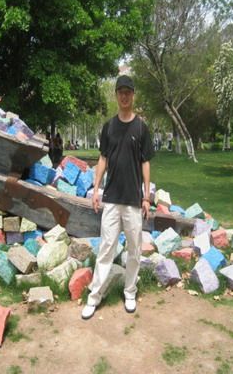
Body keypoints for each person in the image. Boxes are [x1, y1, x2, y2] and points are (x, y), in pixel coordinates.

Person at [81, 75, 154, 320]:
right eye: (120, 92)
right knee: (106, 249)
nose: (124, 96)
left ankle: (130, 292)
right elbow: (103, 158)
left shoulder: (141, 128)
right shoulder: (108, 127)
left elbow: (145, 162)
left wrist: (146, 197)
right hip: (111, 198)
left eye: (128, 92)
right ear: (116, 95)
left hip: (133, 200)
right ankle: (94, 297)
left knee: (134, 250)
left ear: (133, 95)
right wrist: (96, 190)